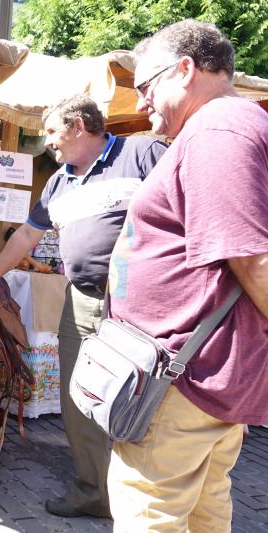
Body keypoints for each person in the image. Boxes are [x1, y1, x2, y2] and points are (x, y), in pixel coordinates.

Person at [0, 94, 167, 519]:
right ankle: (95, 490)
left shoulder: (143, 153)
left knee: (147, 398)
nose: (47, 141)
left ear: (78, 126)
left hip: (141, 304)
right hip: (81, 300)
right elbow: (25, 238)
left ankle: (149, 495)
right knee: (81, 396)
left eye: (52, 132)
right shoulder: (59, 182)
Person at [106, 19, 268, 531]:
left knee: (149, 515)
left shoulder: (219, 130)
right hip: (195, 375)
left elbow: (252, 258)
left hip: (182, 380)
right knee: (202, 511)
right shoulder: (223, 128)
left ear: (184, 70)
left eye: (146, 87)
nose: (139, 105)